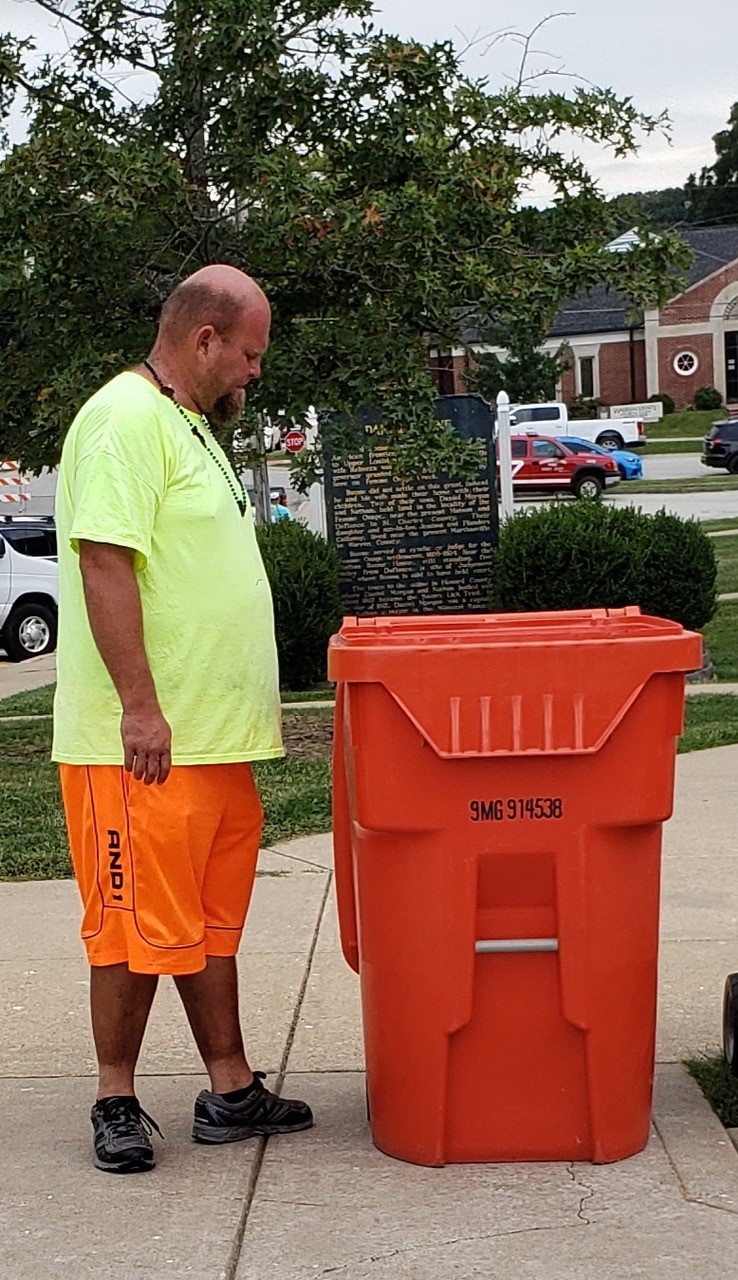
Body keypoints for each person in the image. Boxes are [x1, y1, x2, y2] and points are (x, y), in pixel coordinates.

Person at [52, 264, 313, 1174]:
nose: (254, 372)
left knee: (206, 924)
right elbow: (104, 564)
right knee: (127, 925)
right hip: (141, 746)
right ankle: (114, 1100)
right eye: (248, 354)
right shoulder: (123, 422)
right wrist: (139, 708)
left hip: (212, 741)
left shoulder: (188, 424)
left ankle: (229, 1088)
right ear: (204, 339)